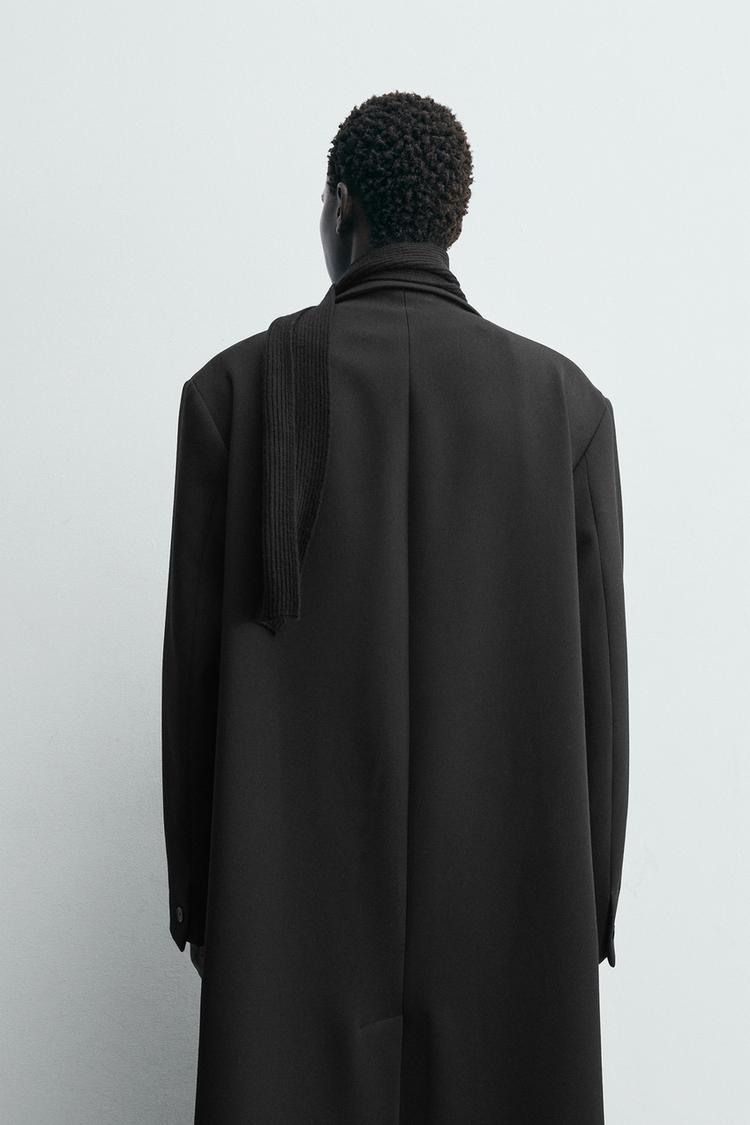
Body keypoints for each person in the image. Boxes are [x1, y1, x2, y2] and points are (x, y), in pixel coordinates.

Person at [162, 90, 629, 1124]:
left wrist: (198, 895)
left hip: (288, 912)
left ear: (341, 208)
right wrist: (590, 898)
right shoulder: (566, 409)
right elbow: (601, 689)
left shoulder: (234, 395)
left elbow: (192, 681)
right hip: (511, 898)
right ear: (454, 218)